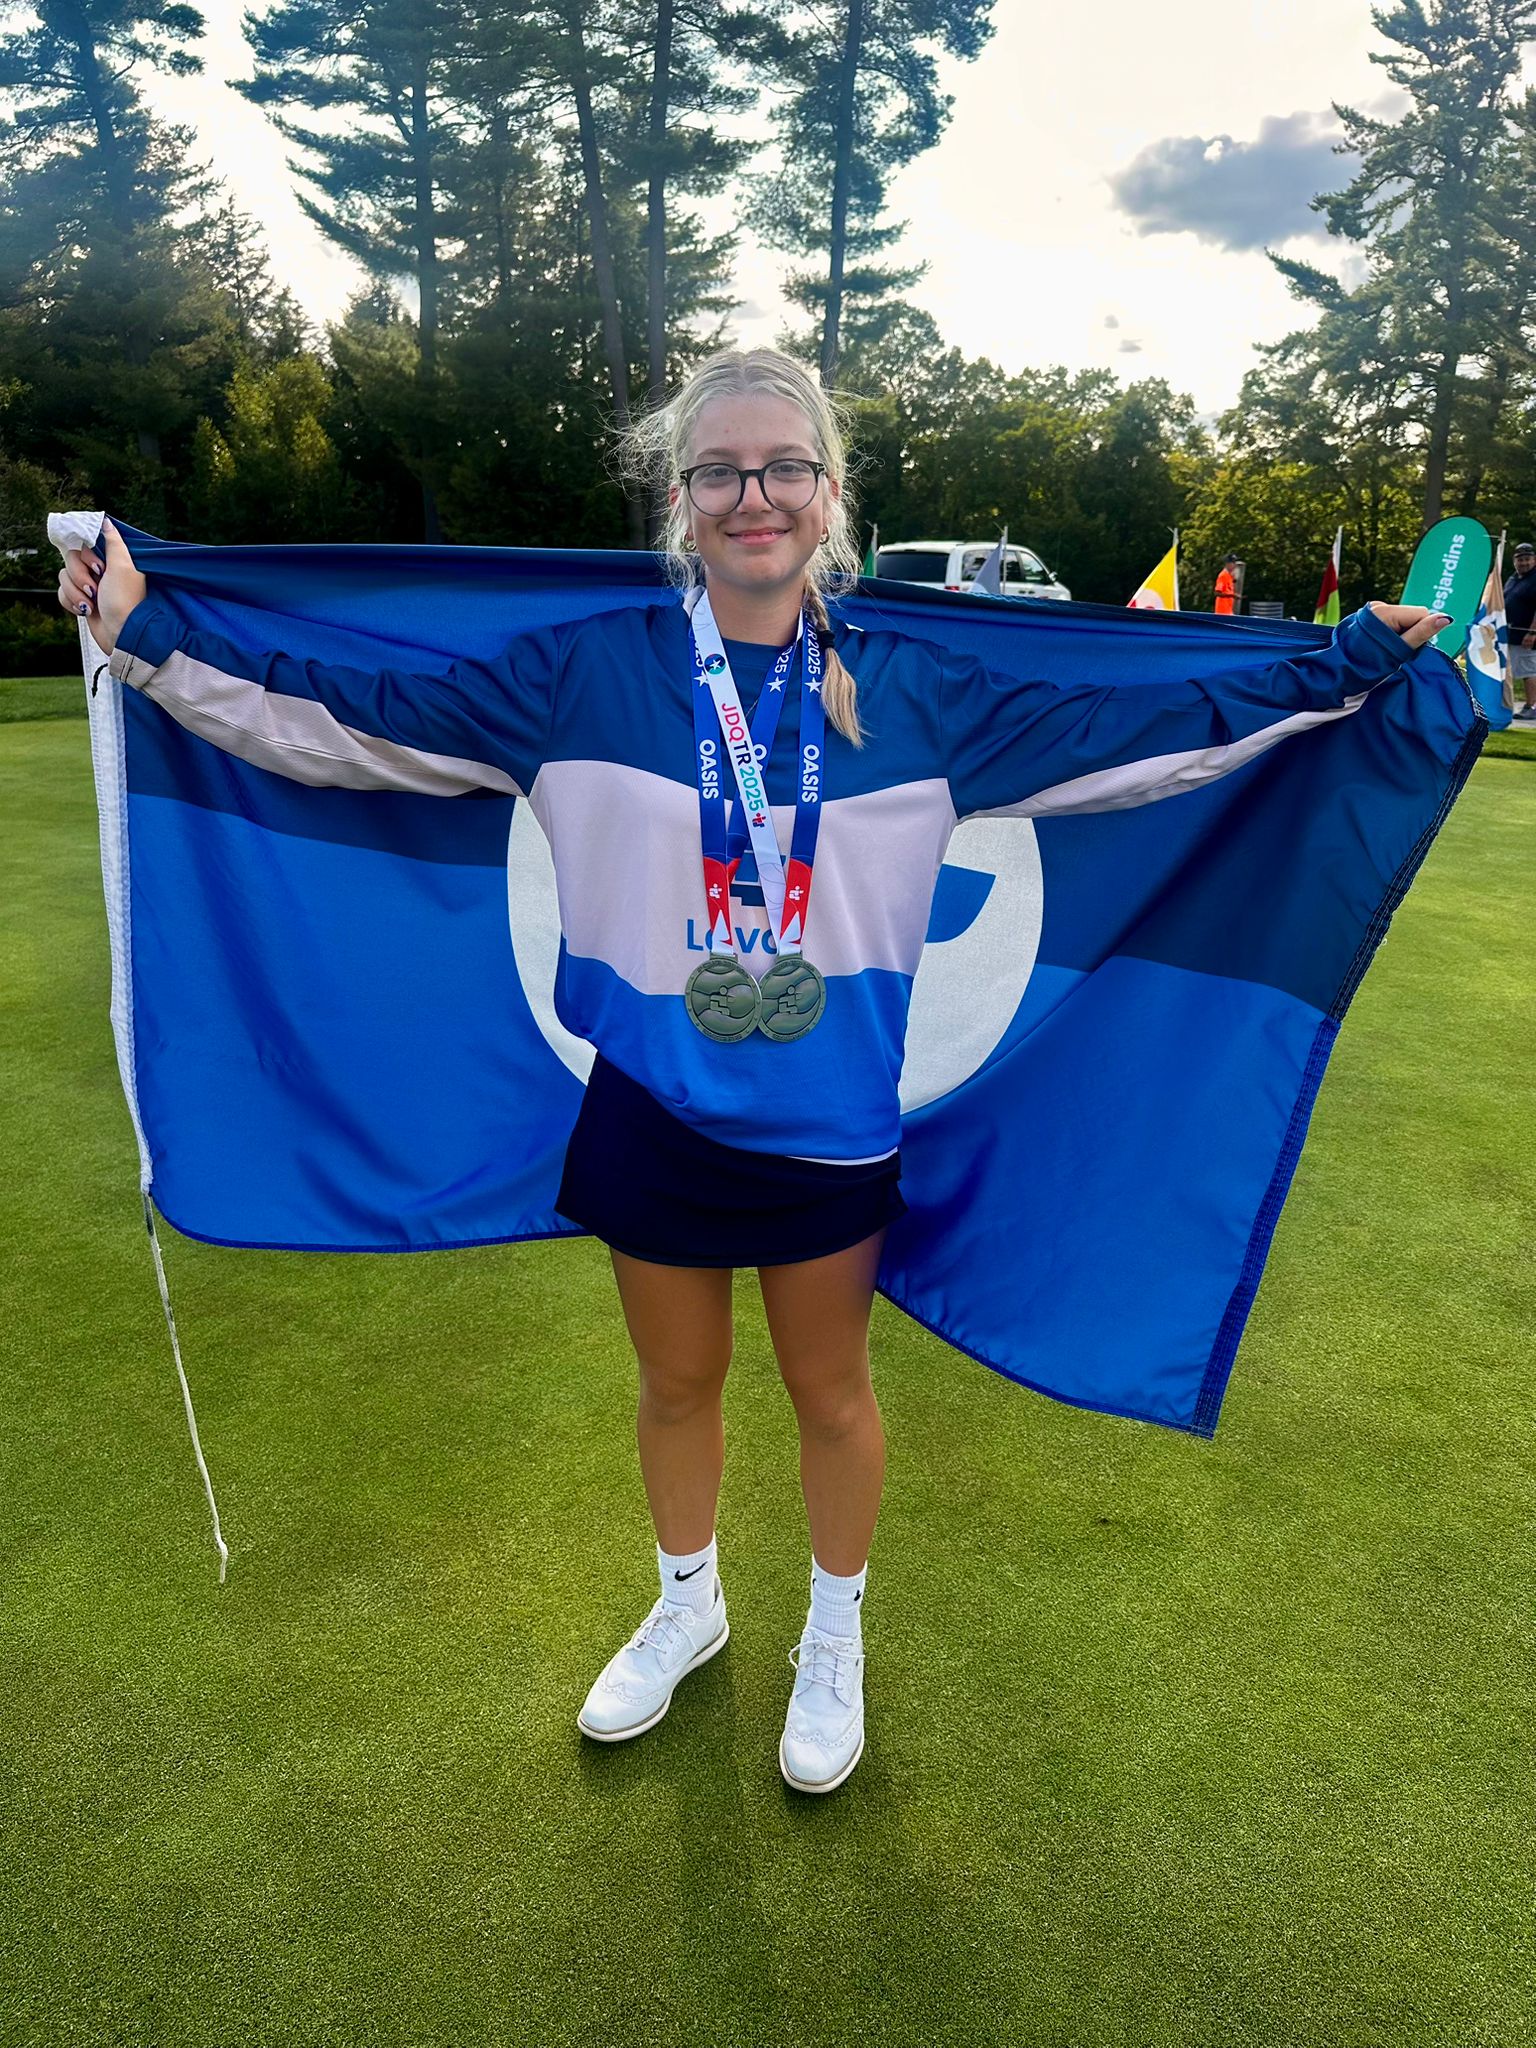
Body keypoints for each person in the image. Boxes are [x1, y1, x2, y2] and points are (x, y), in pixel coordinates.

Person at [56, 347, 1448, 1796]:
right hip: (652, 1105)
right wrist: (152, 639)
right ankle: (688, 1603)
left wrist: (1344, 667)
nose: (754, 494)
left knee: (829, 1391)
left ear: (829, 493)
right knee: (676, 1385)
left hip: (831, 1125)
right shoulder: (585, 670)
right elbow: (351, 718)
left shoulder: (922, 688)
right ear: (684, 500)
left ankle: (831, 1638)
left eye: (783, 466)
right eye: (721, 471)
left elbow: (1154, 737)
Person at [1504, 540, 1536, 722]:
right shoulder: (1514, 578)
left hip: (1527, 634)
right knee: (1515, 670)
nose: (1523, 563)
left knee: (1528, 671)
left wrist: (1532, 632)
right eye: (1520, 559)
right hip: (1511, 633)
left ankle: (1532, 706)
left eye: (1527, 559)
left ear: (1534, 560)